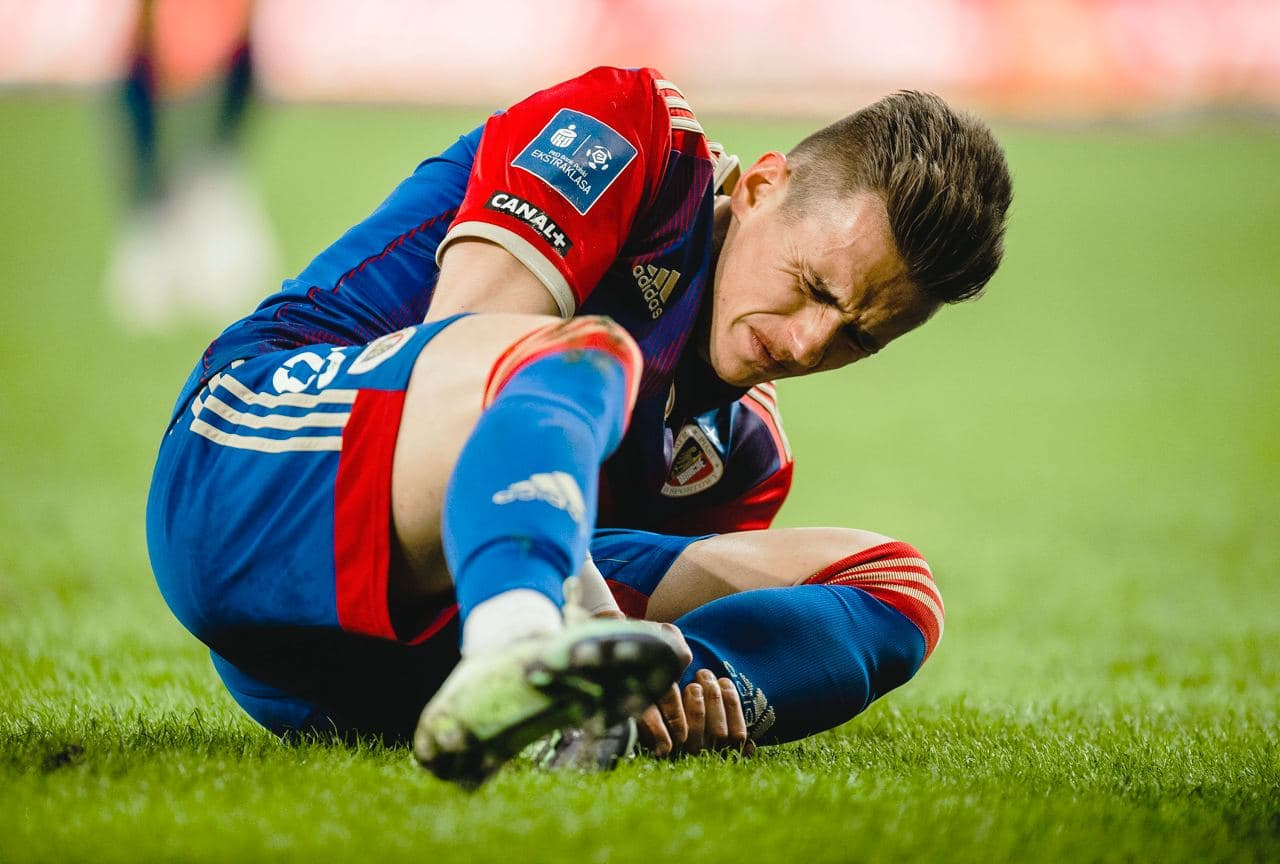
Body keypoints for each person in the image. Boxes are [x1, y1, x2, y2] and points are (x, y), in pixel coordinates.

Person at [145, 66, 1012, 786]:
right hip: (245, 479)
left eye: (859, 337)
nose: (807, 344)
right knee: (574, 358)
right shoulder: (632, 133)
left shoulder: (742, 454)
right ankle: (523, 645)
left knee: (897, 583)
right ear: (760, 187)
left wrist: (680, 678)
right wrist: (591, 621)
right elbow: (463, 342)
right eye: (814, 287)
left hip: (370, 670)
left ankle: (595, 704)